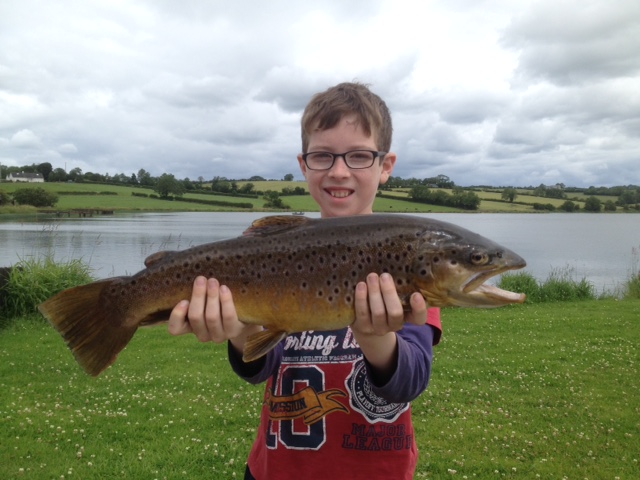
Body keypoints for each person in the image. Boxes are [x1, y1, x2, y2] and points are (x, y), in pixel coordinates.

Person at [168, 82, 442, 479]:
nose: (339, 171)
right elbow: (260, 368)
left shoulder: (407, 262)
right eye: (323, 156)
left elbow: (409, 382)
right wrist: (240, 332)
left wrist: (377, 339)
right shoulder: (271, 251)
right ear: (304, 164)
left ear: (386, 166)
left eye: (359, 156)